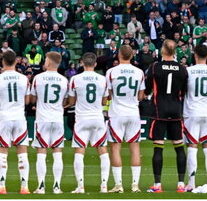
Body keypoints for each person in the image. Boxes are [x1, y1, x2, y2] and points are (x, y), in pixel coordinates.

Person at [146, 39, 188, 193]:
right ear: (175, 51)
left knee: (158, 148)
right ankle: (181, 185)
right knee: (179, 148)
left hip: (159, 111)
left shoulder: (155, 67)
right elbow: (183, 91)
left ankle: (157, 185)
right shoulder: (183, 69)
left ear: (163, 51)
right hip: (176, 111)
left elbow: (148, 87)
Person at [67, 52, 111, 194]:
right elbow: (105, 101)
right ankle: (104, 185)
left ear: (82, 63)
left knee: (79, 152)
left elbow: (72, 101)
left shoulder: (75, 79)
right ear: (95, 64)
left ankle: (80, 186)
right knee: (103, 151)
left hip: (82, 119)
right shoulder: (102, 79)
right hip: (97, 117)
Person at [0, 49, 30, 195]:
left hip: (4, 118)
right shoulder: (24, 79)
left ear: (3, 61)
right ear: (16, 61)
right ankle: (24, 186)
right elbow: (27, 100)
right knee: (22, 152)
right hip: (19, 117)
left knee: (2, 151)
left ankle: (1, 186)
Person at [27, 51, 68, 194]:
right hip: (57, 118)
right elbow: (65, 101)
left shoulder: (38, 78)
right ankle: (57, 186)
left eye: (45, 60)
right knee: (57, 152)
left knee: (41, 152)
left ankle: (41, 186)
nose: (44, 62)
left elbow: (32, 99)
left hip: (42, 119)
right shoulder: (64, 80)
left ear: (49, 62)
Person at [106, 44, 145, 193]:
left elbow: (108, 94)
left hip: (116, 113)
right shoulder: (139, 72)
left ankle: (119, 185)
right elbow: (141, 96)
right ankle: (135, 185)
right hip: (133, 112)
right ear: (132, 55)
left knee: (115, 149)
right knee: (135, 149)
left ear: (119, 54)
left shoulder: (111, 72)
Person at [183, 44, 207, 192]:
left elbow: (183, 90)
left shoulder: (187, 71)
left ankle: (191, 183)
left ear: (195, 55)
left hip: (192, 113)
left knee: (192, 147)